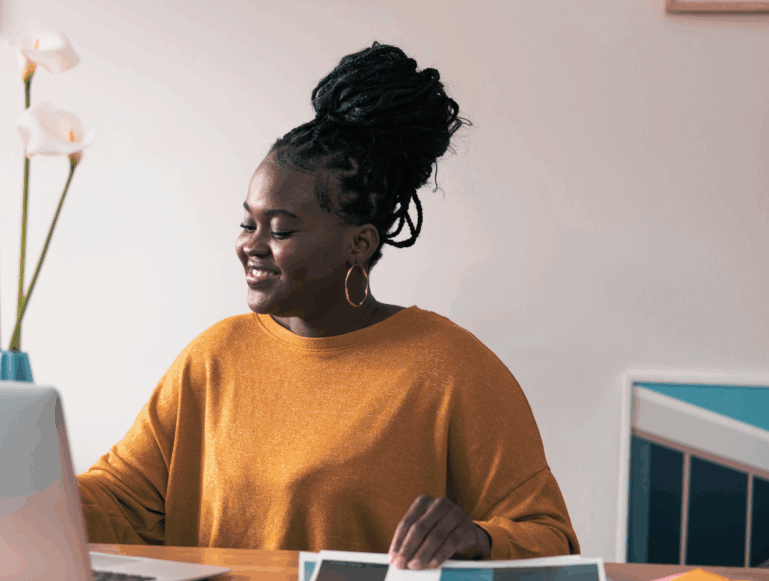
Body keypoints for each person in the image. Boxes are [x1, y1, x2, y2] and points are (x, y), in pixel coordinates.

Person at [76, 42, 579, 567]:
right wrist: (11, 487)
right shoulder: (213, 357)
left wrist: (477, 539)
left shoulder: (449, 370)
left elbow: (550, 539)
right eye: (249, 222)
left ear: (358, 244)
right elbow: (121, 501)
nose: (252, 244)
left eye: (282, 229)